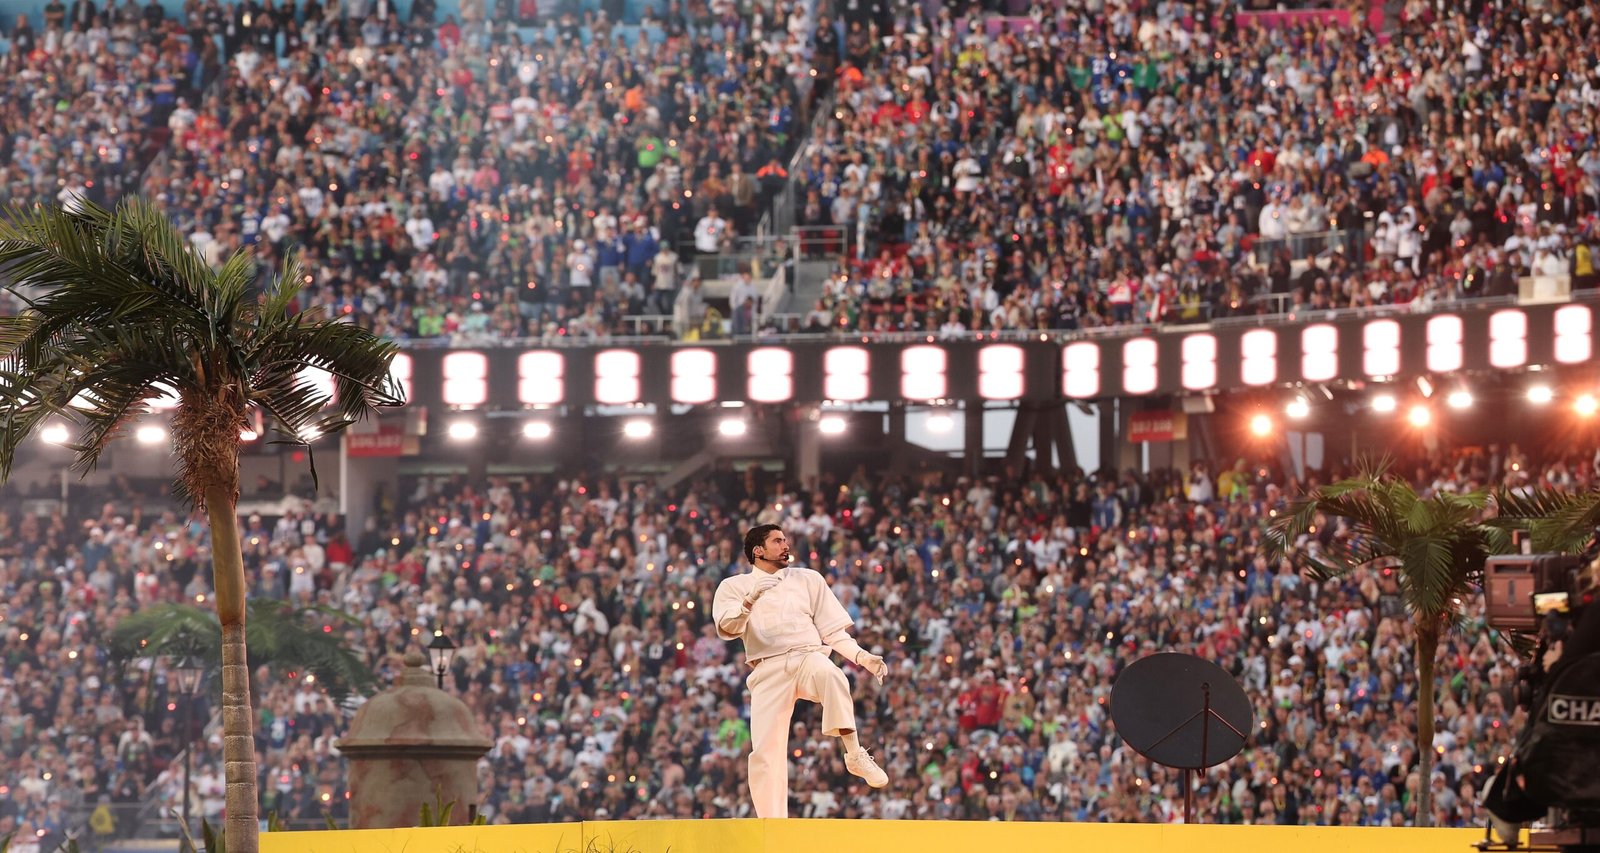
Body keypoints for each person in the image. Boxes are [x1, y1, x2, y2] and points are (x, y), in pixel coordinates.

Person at [712, 523, 889, 817]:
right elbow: (727, 628)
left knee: (833, 675)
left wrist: (862, 657)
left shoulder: (808, 579)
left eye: (785, 540)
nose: (786, 545)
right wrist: (749, 600)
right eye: (777, 541)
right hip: (767, 668)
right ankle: (772, 824)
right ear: (758, 551)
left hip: (807, 655)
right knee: (765, 752)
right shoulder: (734, 586)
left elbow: (833, 632)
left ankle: (855, 753)